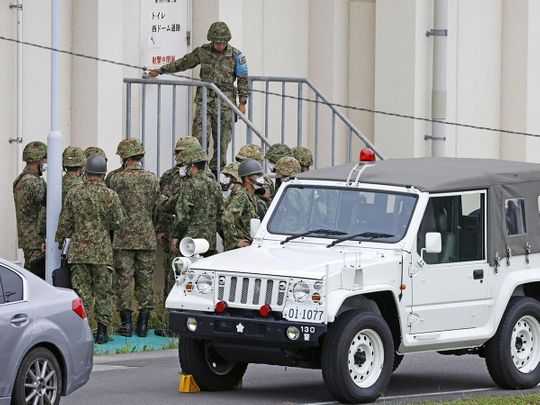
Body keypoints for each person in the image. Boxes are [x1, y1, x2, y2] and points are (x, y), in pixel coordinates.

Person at [148, 21, 250, 172]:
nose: (220, 46)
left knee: (222, 143)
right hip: (205, 103)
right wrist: (161, 70)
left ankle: (216, 175)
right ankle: (200, 172)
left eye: (223, 43)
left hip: (225, 104)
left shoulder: (236, 56)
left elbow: (243, 79)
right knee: (199, 139)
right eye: (217, 43)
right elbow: (184, 63)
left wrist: (242, 102)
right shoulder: (203, 52)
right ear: (212, 40)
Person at [56, 155, 125, 344]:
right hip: (102, 252)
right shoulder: (111, 196)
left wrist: (59, 240)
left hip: (79, 252)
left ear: (85, 172)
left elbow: (65, 222)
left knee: (81, 293)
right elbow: (119, 222)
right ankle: (102, 333)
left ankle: (83, 330)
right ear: (103, 174)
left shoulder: (74, 193)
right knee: (103, 293)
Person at [108, 138, 160, 338]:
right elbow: (157, 208)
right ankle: (144, 324)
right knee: (145, 280)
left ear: (124, 156)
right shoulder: (152, 179)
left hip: (122, 238)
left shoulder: (115, 179)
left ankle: (126, 324)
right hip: (146, 237)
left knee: (123, 280)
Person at [170, 147, 223, 256]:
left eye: (186, 165)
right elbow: (221, 213)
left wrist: (176, 236)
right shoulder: (215, 185)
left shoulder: (189, 185)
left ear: (192, 165)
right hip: (209, 241)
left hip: (190, 242)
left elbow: (183, 215)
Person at [13, 141, 47, 272]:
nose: (46, 162)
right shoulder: (34, 182)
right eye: (45, 159)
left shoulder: (20, 179)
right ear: (37, 160)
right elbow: (45, 208)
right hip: (37, 240)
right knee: (38, 277)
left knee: (30, 272)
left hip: (27, 238)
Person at [222, 159, 266, 250]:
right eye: (257, 175)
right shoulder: (242, 195)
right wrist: (234, 241)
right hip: (239, 250)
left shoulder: (252, 195)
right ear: (247, 178)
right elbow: (227, 218)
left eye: (260, 175)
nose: (260, 177)